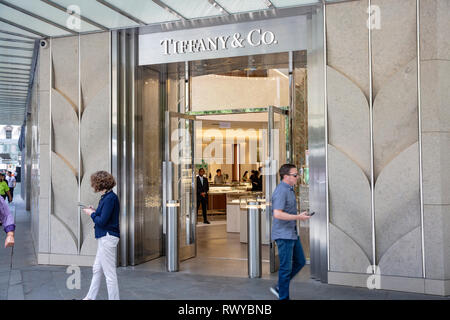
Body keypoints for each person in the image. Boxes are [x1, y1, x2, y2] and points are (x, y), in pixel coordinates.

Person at [270, 164, 310, 300]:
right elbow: (277, 214)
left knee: (300, 261)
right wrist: (298, 217)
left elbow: (286, 212)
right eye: (295, 175)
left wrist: (299, 214)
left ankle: (280, 287)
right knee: (285, 268)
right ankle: (283, 296)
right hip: (284, 235)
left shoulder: (290, 189)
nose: (297, 177)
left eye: (297, 174)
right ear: (286, 176)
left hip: (291, 233)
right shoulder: (281, 190)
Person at [82, 171, 120, 300]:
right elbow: (103, 215)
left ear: (99, 184)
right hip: (105, 237)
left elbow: (102, 221)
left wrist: (91, 214)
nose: (93, 186)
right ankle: (90, 298)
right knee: (97, 269)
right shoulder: (107, 197)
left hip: (107, 237)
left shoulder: (110, 198)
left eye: (94, 183)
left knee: (109, 274)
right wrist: (94, 211)